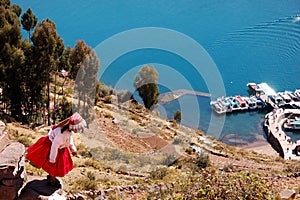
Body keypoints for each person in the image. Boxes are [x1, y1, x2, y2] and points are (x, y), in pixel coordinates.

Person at [26, 112, 87, 187]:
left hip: (60, 148)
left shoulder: (67, 131)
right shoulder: (61, 134)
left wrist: (72, 149)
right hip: (51, 148)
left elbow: (69, 140)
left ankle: (51, 177)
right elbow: (54, 147)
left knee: (57, 166)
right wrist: (52, 160)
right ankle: (51, 180)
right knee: (54, 166)